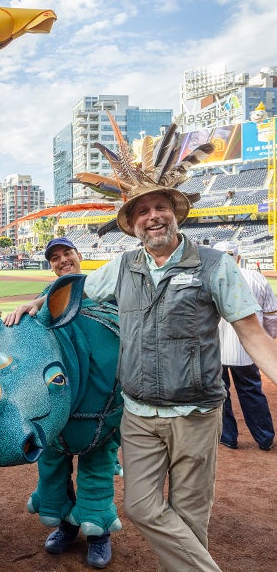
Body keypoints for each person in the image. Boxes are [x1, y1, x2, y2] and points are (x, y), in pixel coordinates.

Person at [17, 188, 277, 571]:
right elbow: (79, 290)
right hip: (138, 414)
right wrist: (37, 302)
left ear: (175, 214)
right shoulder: (121, 267)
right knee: (140, 505)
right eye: (142, 212)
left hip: (196, 411)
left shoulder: (215, 265)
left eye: (160, 208)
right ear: (133, 224)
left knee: (189, 515)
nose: (152, 216)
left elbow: (253, 333)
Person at [10, 237, 116, 568]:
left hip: (98, 405)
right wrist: (21, 315)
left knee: (96, 464)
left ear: (78, 254)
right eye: (55, 257)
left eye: (66, 253)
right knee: (53, 464)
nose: (62, 260)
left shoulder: (102, 289)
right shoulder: (41, 305)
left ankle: (99, 533)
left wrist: (42, 299)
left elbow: (84, 291)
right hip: (56, 404)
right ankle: (66, 525)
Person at [213, 241, 275, 451]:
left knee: (220, 394)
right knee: (252, 392)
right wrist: (268, 338)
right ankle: (264, 437)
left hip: (215, 351)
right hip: (248, 350)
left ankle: (228, 437)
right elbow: (271, 314)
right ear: (237, 258)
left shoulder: (209, 278)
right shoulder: (255, 277)